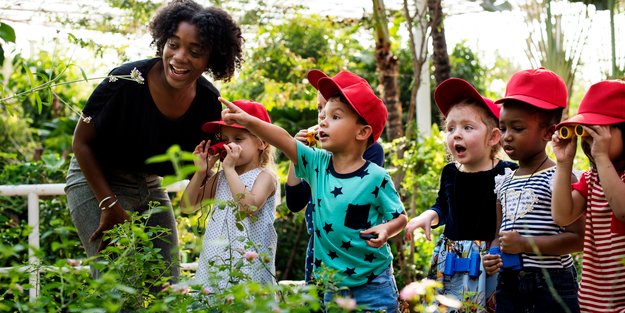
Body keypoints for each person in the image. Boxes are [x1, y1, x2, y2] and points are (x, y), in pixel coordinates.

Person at [64, 0, 244, 282]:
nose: (179, 57)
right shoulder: (124, 81)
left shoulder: (209, 102)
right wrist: (109, 206)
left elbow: (207, 167)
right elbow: (81, 143)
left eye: (195, 51)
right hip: (96, 179)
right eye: (173, 44)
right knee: (119, 284)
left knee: (167, 284)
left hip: (147, 182)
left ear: (212, 58)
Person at [219, 70, 407, 312]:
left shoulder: (377, 176)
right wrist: (248, 121)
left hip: (373, 284)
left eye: (335, 116)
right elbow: (283, 139)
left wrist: (386, 228)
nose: (322, 121)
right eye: (323, 114)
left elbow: (400, 217)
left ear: (362, 132)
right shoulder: (316, 163)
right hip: (332, 285)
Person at [404, 78, 517, 312]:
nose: (456, 134)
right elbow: (443, 208)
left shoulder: (506, 171)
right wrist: (429, 216)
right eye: (451, 128)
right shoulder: (450, 173)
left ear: (493, 137)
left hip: (490, 262)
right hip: (450, 262)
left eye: (467, 127)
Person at [481, 68, 583, 313]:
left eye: (517, 129)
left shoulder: (560, 177)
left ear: (549, 132)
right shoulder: (503, 181)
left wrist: (526, 244)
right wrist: (492, 255)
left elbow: (577, 239)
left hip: (552, 284)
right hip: (509, 284)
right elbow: (499, 234)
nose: (507, 137)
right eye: (503, 128)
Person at [284, 69, 385, 284]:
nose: (322, 116)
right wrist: (297, 154)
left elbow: (356, 197)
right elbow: (294, 202)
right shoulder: (316, 156)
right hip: (320, 247)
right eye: (320, 109)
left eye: (333, 113)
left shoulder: (372, 152)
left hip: (355, 253)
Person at [180, 100, 278, 290]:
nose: (229, 145)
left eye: (238, 139)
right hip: (215, 266)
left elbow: (248, 207)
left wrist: (230, 170)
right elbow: (187, 206)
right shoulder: (223, 176)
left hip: (248, 270)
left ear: (262, 142)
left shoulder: (265, 177)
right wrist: (200, 173)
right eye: (225, 139)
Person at [551, 80, 625, 313]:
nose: (587, 142)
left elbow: (622, 209)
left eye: (597, 132)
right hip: (593, 303)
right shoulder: (591, 178)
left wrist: (602, 158)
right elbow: (563, 216)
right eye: (585, 133)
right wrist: (564, 164)